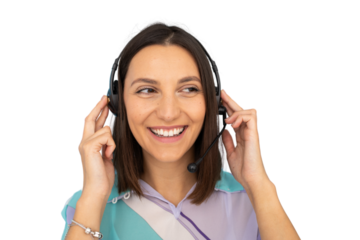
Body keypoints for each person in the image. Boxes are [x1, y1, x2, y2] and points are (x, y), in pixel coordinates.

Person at [60, 17, 300, 240]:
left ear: (214, 102)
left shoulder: (252, 200)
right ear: (117, 104)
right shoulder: (89, 203)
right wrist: (93, 196)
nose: (168, 113)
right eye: (147, 90)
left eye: (189, 89)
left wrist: (259, 184)